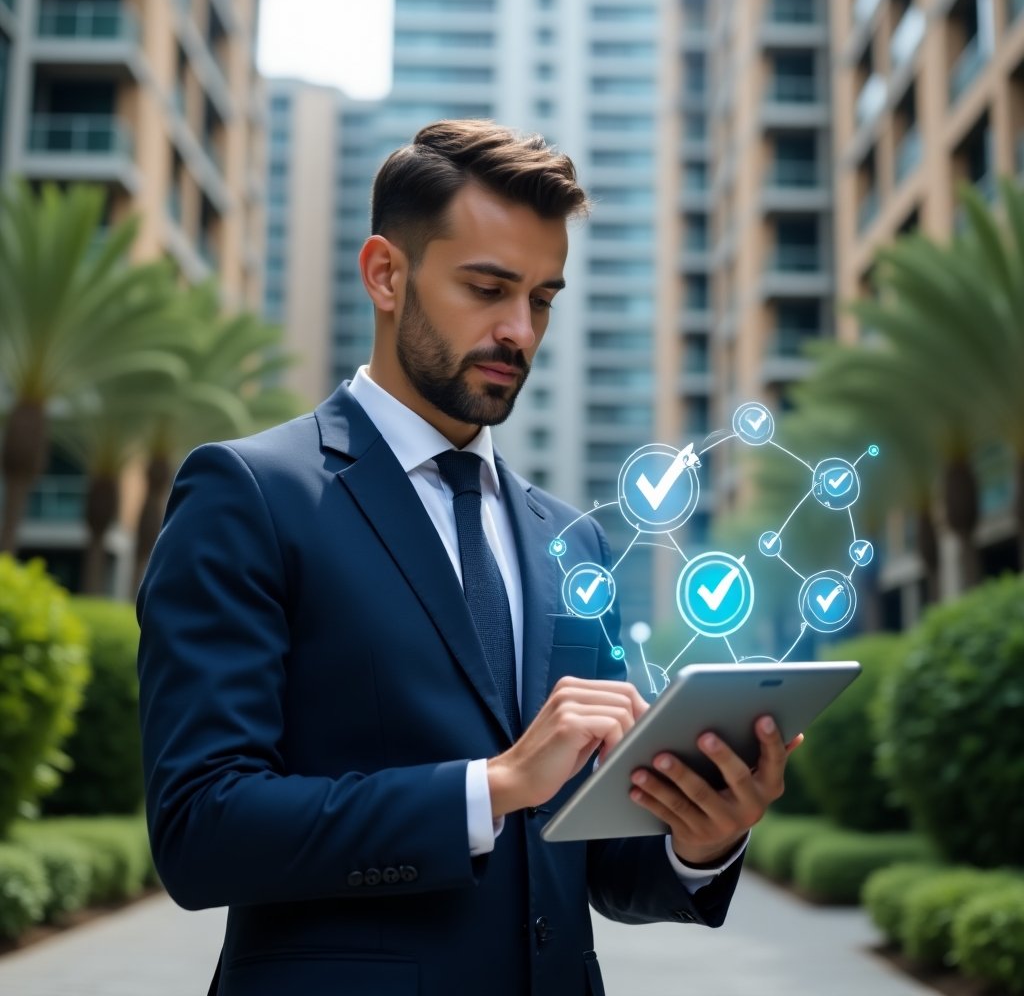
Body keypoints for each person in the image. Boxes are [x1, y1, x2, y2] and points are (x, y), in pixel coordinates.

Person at [137, 120, 797, 996]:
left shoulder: (574, 542)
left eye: (543, 298)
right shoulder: (250, 494)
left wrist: (702, 835)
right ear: (385, 274)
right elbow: (201, 831)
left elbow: (598, 866)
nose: (518, 331)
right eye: (487, 288)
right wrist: (493, 786)